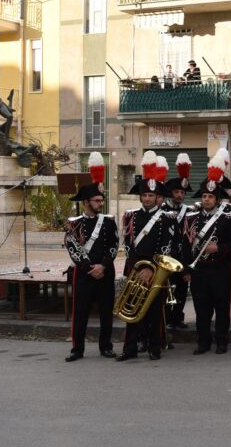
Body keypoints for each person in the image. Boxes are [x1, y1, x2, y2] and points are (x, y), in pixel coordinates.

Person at [117, 152, 177, 361]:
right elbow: (128, 245)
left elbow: (167, 246)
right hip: (135, 268)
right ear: (141, 197)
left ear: (157, 197)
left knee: (154, 310)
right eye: (144, 195)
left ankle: (154, 347)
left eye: (151, 195)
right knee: (130, 308)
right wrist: (139, 268)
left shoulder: (167, 218)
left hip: (155, 269)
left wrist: (151, 269)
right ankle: (130, 348)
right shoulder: (131, 216)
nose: (148, 198)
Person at [63, 152, 118, 362]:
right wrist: (89, 268)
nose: (100, 203)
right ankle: (77, 349)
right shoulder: (74, 223)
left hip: (105, 271)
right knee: (80, 313)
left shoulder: (109, 221)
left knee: (106, 312)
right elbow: (73, 248)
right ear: (86, 202)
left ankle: (106, 346)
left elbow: (114, 246)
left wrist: (102, 266)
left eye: (102, 199)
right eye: (96, 200)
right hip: (84, 274)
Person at [184, 158, 231, 354]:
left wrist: (219, 248)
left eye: (210, 197)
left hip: (220, 269)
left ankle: (222, 341)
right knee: (201, 308)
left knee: (222, 307)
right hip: (199, 271)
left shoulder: (227, 218)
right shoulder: (191, 218)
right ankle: (203, 342)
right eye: (204, 196)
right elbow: (185, 246)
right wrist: (185, 269)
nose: (206, 199)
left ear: (217, 199)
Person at [162, 154, 193, 330]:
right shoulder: (162, 210)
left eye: (182, 192)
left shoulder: (189, 211)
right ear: (170, 193)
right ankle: (167, 318)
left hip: (183, 257)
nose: (180, 195)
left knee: (182, 288)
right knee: (168, 289)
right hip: (167, 258)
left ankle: (178, 318)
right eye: (176, 192)